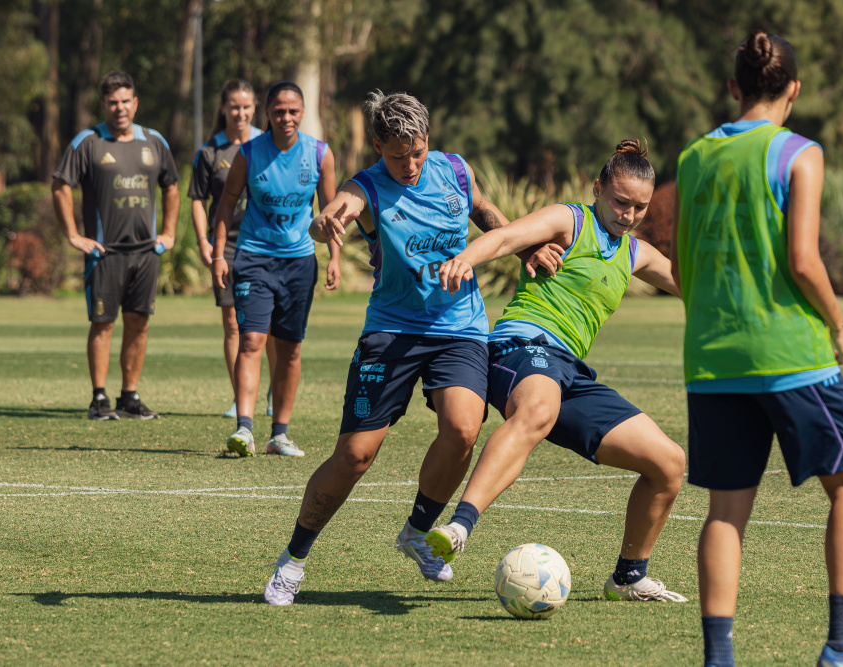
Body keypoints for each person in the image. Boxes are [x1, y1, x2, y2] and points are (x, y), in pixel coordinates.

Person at [263, 91, 533, 605]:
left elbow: (484, 211)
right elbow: (339, 210)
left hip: (460, 327)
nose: (409, 165)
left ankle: (417, 531)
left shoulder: (454, 169)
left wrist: (526, 242)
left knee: (462, 429)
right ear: (377, 146)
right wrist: (326, 223)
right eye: (396, 155)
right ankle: (293, 559)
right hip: (392, 331)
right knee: (355, 456)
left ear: (428, 139)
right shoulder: (365, 185)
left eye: (417, 152)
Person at [671, 30, 843, 667]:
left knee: (726, 510)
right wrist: (839, 324)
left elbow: (682, 268)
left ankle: (719, 659)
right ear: (793, 89)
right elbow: (803, 260)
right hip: (789, 356)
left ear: (733, 88)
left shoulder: (691, 158)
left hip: (711, 362)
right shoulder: (798, 152)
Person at [426, 140, 688, 603]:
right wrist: (467, 257)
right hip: (522, 346)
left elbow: (694, 289)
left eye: (639, 208)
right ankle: (461, 525)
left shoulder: (635, 253)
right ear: (598, 188)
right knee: (539, 408)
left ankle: (629, 576)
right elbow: (507, 237)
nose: (628, 214)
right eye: (620, 202)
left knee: (668, 464)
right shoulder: (570, 220)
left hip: (571, 370)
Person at [212, 81, 340, 457]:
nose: (286, 117)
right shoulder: (249, 154)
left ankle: (279, 435)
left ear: (302, 112)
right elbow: (226, 205)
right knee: (251, 340)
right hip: (253, 258)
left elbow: (330, 210)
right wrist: (220, 255)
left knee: (291, 349)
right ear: (267, 113)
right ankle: (245, 429)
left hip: (299, 262)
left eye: (293, 111)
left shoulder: (319, 154)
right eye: (279, 111)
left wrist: (334, 256)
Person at [51, 70, 179, 421]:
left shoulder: (154, 142)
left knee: (139, 323)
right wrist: (74, 236)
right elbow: (61, 184)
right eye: (112, 102)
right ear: (103, 105)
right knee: (103, 323)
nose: (119, 108)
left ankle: (129, 396)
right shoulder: (87, 142)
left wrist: (167, 233)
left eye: (125, 101)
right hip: (104, 254)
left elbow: (171, 185)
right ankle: (99, 398)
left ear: (135, 103)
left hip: (146, 254)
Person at [188, 79, 276, 420]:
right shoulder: (210, 151)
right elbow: (197, 200)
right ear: (224, 108)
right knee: (232, 323)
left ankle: (273, 391)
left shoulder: (267, 145)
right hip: (226, 246)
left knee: (268, 325)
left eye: (246, 107)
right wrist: (204, 241)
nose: (240, 113)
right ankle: (241, 397)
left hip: (265, 244)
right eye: (234, 107)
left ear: (255, 109)